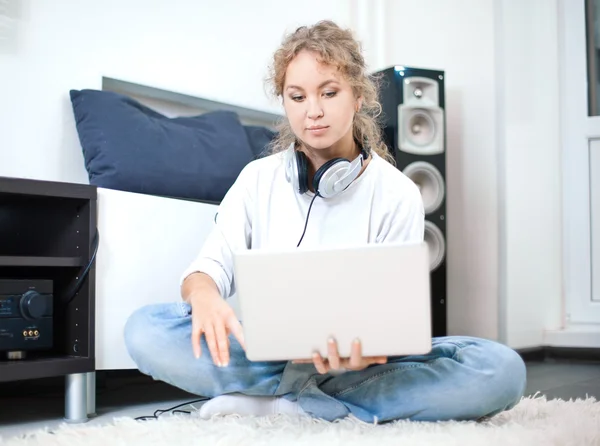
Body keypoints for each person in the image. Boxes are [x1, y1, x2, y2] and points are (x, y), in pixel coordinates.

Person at [124, 20, 527, 423]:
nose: (312, 112)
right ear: (283, 102)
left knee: (501, 369)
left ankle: (283, 404)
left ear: (357, 97)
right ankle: (329, 402)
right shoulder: (256, 179)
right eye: (296, 97)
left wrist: (371, 347)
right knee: (144, 330)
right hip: (270, 357)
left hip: (360, 365)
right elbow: (205, 270)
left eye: (329, 93)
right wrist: (205, 297)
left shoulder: (399, 192)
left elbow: (392, 317)